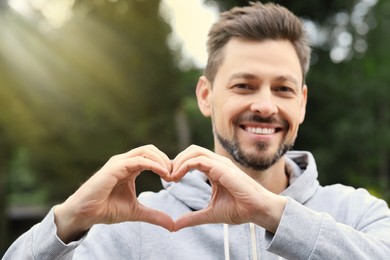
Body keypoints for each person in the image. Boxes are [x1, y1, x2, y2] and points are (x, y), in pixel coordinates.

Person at [3, 2, 390, 259]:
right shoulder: (137, 227)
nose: (266, 105)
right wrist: (69, 219)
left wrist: (272, 214)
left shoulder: (358, 214)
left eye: (283, 88)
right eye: (244, 85)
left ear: (301, 103)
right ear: (205, 96)